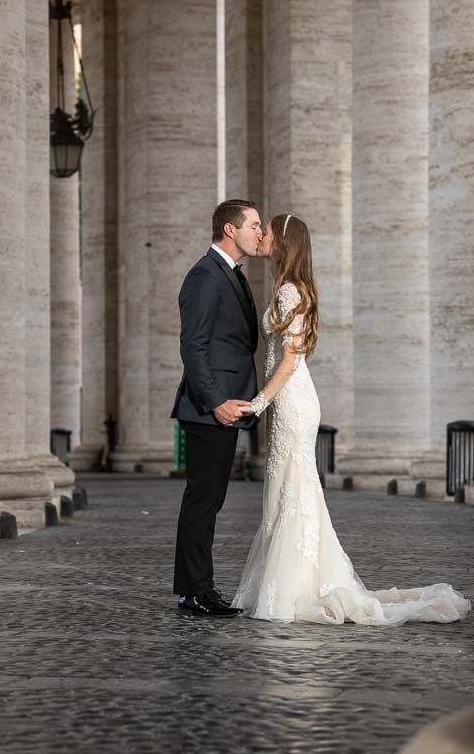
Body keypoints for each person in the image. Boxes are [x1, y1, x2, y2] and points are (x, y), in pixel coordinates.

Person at [233, 212, 470, 625]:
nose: (262, 236)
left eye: (267, 231)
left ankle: (295, 586)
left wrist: (258, 403)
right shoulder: (288, 286)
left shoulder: (289, 291)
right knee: (290, 485)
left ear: (283, 242)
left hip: (291, 399)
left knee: (293, 487)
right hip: (292, 401)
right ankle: (299, 579)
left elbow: (289, 360)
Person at [171, 198, 262, 617]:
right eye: (255, 225)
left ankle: (199, 587)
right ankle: (195, 591)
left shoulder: (233, 275)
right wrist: (216, 402)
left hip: (227, 406)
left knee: (211, 501)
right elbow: (194, 345)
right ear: (230, 229)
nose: (260, 233)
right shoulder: (205, 275)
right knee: (203, 502)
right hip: (210, 409)